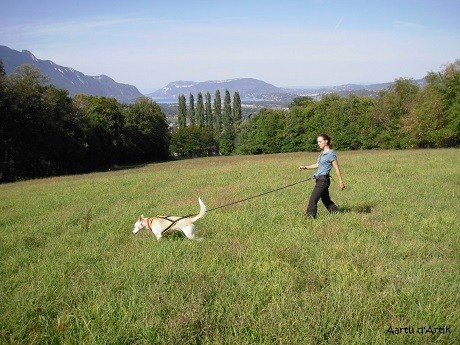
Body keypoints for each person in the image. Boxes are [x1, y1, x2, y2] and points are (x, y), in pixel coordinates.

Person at [299, 134, 345, 218]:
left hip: (323, 180)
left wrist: (341, 182)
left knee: (313, 200)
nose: (318, 143)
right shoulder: (322, 153)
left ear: (326, 141)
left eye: (320, 141)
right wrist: (306, 167)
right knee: (326, 200)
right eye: (318, 142)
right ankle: (336, 212)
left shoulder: (331, 154)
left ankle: (310, 217)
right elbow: (317, 165)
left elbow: (337, 168)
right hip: (319, 179)